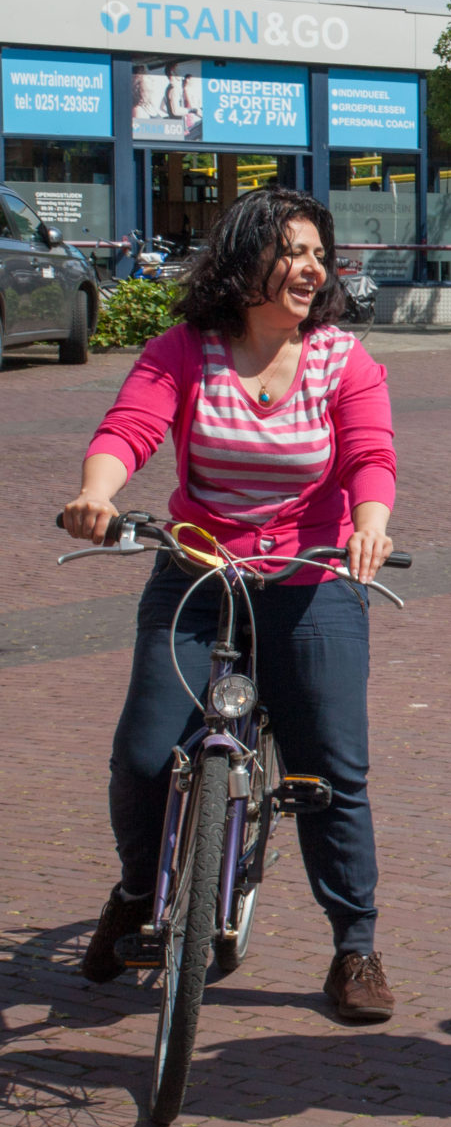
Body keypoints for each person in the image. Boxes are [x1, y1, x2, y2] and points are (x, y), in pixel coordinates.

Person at [61, 188, 400, 1022]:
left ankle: (354, 946)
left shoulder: (342, 358)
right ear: (247, 258)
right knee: (143, 756)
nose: (310, 267)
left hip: (310, 576)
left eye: (319, 252)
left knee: (329, 771)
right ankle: (140, 890)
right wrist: (96, 494)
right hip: (199, 571)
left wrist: (370, 526)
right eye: (291, 250)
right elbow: (129, 428)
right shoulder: (184, 349)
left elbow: (370, 452)